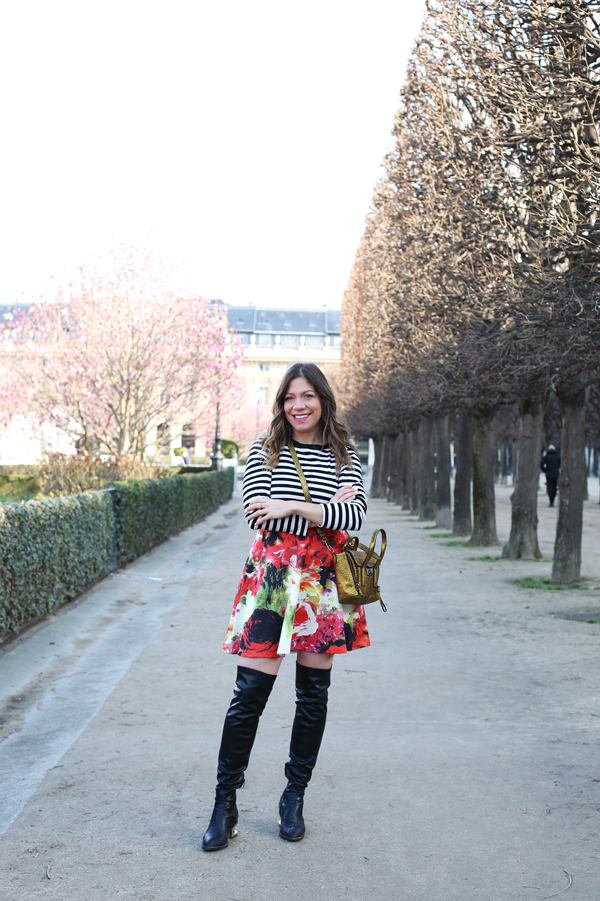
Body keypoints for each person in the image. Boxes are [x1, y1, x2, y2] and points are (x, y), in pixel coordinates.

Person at [202, 361, 369, 851]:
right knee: (248, 695)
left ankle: (293, 797)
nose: (299, 405)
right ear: (282, 403)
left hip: (323, 585)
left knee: (312, 697)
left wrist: (293, 506)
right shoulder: (265, 449)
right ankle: (224, 802)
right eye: (290, 397)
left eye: (308, 396)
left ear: (323, 400)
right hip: (273, 582)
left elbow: (354, 517)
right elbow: (258, 512)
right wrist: (323, 509)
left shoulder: (346, 454)